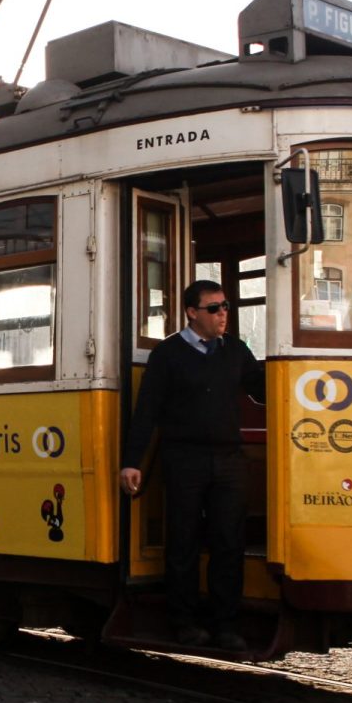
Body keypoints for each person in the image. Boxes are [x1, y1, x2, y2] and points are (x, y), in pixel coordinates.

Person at [118, 279, 265, 652]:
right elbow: (147, 410)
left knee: (228, 542)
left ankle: (226, 625)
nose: (223, 315)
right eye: (214, 308)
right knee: (182, 541)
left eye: (226, 307)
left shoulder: (234, 349)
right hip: (184, 459)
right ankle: (184, 622)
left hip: (229, 459)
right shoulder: (168, 355)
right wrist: (131, 462)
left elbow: (262, 389)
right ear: (192, 313)